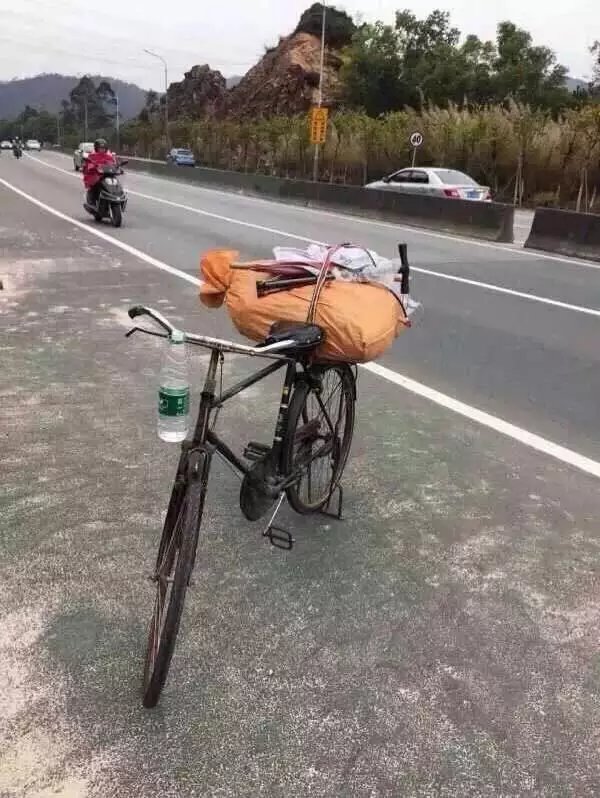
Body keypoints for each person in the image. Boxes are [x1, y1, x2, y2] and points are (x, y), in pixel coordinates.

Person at [82, 138, 117, 206]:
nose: (102, 150)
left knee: (115, 182)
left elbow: (113, 163)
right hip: (96, 175)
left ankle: (116, 195)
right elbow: (88, 165)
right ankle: (91, 199)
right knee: (93, 183)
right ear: (96, 148)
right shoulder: (92, 156)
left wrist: (116, 167)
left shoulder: (109, 156)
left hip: (107, 174)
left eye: (103, 148)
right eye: (100, 148)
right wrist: (92, 166)